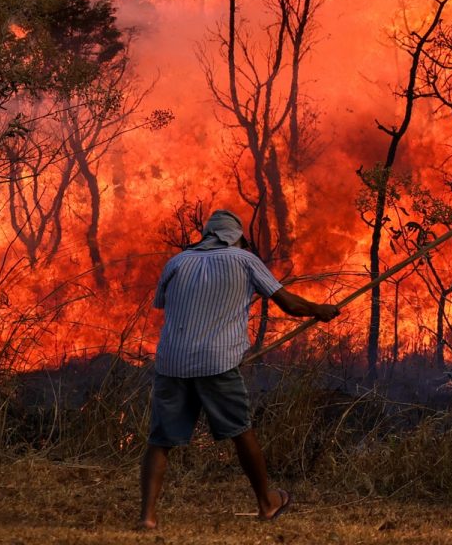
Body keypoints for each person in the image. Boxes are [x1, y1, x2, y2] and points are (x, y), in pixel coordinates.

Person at [138, 209, 340, 530]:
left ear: (207, 235)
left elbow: (163, 304)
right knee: (240, 430)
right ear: (237, 237)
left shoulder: (176, 262)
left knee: (160, 439)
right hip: (217, 362)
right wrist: (320, 310)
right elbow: (288, 303)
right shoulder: (243, 259)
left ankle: (147, 517)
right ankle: (267, 502)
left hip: (171, 362)